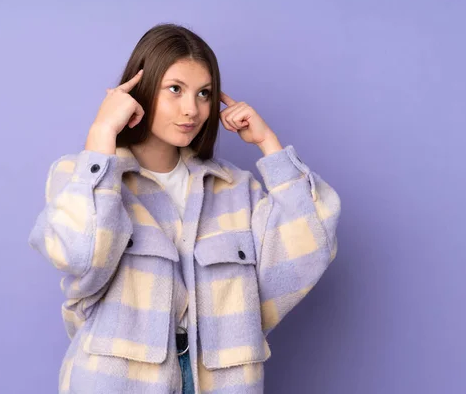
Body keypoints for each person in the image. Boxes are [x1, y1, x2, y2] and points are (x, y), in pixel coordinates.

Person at [28, 23, 341, 394]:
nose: (191, 109)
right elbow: (79, 256)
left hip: (223, 382)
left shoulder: (235, 190)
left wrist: (269, 146)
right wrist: (101, 137)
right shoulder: (83, 177)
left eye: (204, 94)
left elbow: (310, 249)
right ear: (140, 90)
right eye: (175, 89)